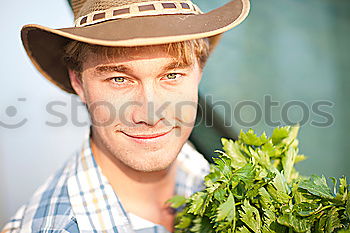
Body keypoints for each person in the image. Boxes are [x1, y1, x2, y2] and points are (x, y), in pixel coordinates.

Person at [2, 0, 250, 232]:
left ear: (199, 71)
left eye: (172, 75)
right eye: (119, 79)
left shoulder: (223, 179)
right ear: (78, 81)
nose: (151, 115)